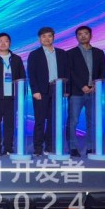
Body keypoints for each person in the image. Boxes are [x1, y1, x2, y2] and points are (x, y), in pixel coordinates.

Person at [28, 26, 70, 156]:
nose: (46, 39)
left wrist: (66, 89)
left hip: (57, 89)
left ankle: (49, 146)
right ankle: (38, 148)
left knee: (53, 120)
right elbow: (31, 74)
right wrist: (35, 90)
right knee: (40, 120)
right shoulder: (34, 54)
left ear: (53, 37)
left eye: (49, 36)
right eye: (43, 36)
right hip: (41, 91)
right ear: (39, 39)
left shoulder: (62, 53)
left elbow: (67, 72)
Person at [0, 32, 26, 156]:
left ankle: (8, 147)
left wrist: (21, 95)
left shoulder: (17, 59)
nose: (3, 43)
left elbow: (22, 77)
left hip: (12, 97)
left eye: (6, 41)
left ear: (10, 43)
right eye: (0, 41)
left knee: (10, 123)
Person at [67, 25, 105, 157]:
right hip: (76, 92)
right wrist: (82, 86)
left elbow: (103, 71)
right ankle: (72, 147)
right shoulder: (70, 53)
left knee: (92, 121)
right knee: (73, 121)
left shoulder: (99, 53)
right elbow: (70, 72)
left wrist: (96, 85)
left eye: (86, 33)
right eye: (80, 34)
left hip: (94, 92)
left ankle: (91, 147)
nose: (83, 36)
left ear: (91, 35)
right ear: (76, 37)